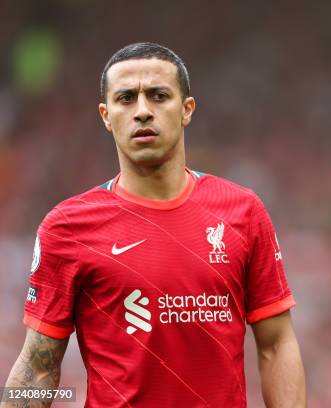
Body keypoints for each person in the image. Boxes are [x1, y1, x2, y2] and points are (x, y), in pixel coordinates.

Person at [2, 42, 306, 407]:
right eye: (126, 98)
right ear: (105, 114)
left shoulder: (243, 211)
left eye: (159, 96)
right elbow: (38, 365)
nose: (143, 111)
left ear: (186, 109)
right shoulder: (67, 227)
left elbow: (276, 344)